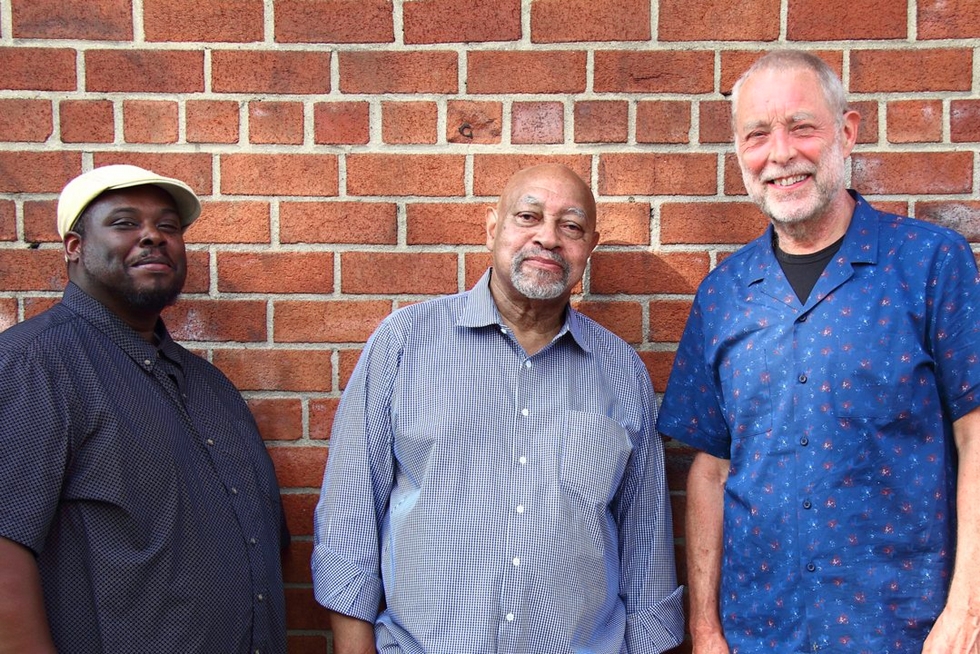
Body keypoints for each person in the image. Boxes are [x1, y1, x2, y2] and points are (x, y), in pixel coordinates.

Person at [657, 49, 980, 653]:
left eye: (801, 126)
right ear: (739, 153)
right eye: (758, 135)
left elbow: (976, 434)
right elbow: (711, 468)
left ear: (847, 132)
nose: (780, 153)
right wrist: (705, 630)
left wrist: (969, 609)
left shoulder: (930, 263)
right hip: (761, 632)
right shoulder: (724, 295)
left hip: (904, 630)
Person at [312, 164, 684, 654]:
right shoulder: (406, 343)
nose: (548, 238)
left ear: (590, 246)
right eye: (528, 216)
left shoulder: (620, 371)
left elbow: (646, 542)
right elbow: (349, 512)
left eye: (570, 227)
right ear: (492, 228)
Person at [0, 165, 288, 653]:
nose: (153, 236)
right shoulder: (34, 365)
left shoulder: (210, 388)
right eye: (124, 223)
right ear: (74, 247)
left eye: (169, 226)